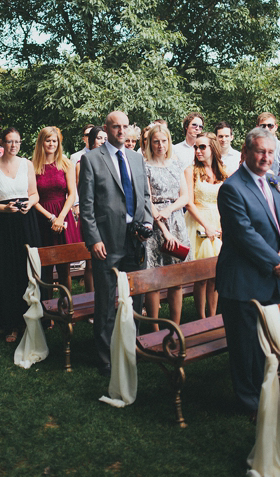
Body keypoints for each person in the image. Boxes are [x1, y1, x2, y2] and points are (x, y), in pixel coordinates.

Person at [216, 127, 280, 415]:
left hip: (270, 276)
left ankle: (264, 390)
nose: (266, 157)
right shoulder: (232, 188)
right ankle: (249, 402)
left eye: (270, 152)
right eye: (260, 151)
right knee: (244, 346)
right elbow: (243, 234)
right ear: (246, 152)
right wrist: (277, 262)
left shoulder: (275, 181)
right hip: (242, 281)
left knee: (265, 341)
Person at [79, 111, 153, 376]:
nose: (121, 131)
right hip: (107, 240)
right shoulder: (92, 160)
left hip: (135, 238)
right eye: (116, 127)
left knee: (137, 295)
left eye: (125, 127)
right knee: (106, 298)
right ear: (107, 129)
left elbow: (144, 195)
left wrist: (148, 224)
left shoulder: (135, 157)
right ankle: (106, 357)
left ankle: (133, 347)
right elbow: (86, 205)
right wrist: (93, 238)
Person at [0, 127, 40, 343]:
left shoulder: (27, 164)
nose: (13, 146)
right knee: (6, 272)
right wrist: (4, 209)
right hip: (3, 225)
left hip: (26, 221)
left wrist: (28, 204)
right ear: (2, 144)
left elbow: (34, 194)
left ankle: (29, 318)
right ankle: (9, 323)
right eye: (9, 142)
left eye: (17, 142)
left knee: (26, 270)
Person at [143, 124, 190, 326]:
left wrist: (169, 211)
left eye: (164, 141)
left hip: (176, 220)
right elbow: (147, 200)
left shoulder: (176, 164)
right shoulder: (145, 166)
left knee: (175, 279)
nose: (160, 145)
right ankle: (154, 328)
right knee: (154, 279)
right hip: (155, 226)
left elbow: (185, 196)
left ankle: (175, 325)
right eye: (156, 141)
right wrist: (164, 230)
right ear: (150, 143)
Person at [31, 126, 83, 293]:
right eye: (48, 140)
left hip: (63, 215)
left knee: (64, 267)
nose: (51, 144)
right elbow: (32, 197)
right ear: (41, 142)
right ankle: (45, 308)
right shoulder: (32, 166)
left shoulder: (66, 163)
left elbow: (72, 194)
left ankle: (66, 307)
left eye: (54, 141)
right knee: (44, 267)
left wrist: (60, 218)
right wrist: (51, 218)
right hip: (41, 216)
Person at [184, 132, 228, 319]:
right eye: (196, 147)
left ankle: (213, 315)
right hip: (199, 223)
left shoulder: (224, 171)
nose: (198, 150)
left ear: (213, 149)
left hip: (219, 222)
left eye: (202, 147)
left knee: (216, 275)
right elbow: (189, 202)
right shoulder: (190, 171)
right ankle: (201, 317)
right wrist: (206, 226)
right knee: (201, 276)